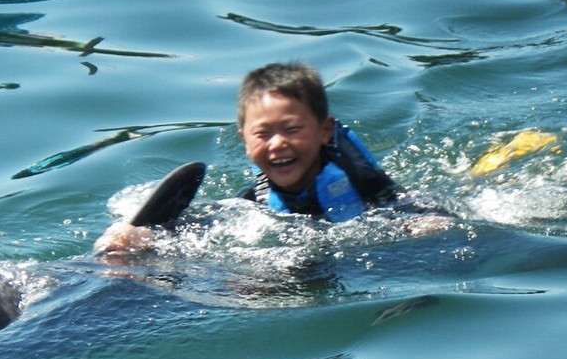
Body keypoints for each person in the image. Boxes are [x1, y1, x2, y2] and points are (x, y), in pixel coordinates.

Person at [96, 61, 411, 254]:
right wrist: (134, 235)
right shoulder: (252, 203)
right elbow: (199, 227)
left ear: (325, 131)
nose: (277, 144)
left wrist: (423, 223)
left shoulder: (359, 177)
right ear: (244, 142)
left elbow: (409, 207)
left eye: (292, 129)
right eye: (263, 134)